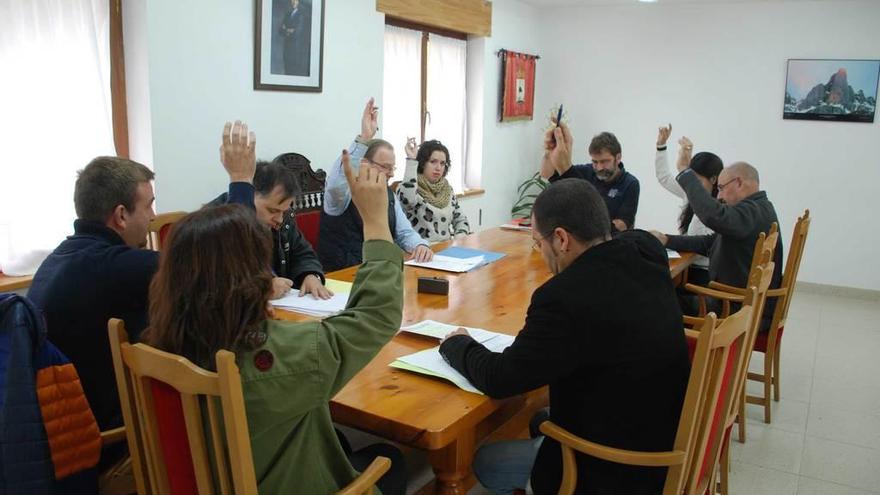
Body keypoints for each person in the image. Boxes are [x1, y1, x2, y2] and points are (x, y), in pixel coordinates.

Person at [439, 122, 689, 494]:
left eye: (538, 242)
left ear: (560, 238)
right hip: (661, 428)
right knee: (541, 417)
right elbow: (598, 220)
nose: (540, 253)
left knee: (485, 461)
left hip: (618, 465)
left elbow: (501, 378)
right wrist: (566, 167)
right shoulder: (645, 251)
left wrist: (457, 343)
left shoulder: (564, 297)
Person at [145, 152, 407, 494]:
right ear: (253, 277)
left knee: (335, 435)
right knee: (391, 458)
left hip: (219, 471)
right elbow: (376, 316)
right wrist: (375, 222)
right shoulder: (280, 356)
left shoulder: (158, 348)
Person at [27, 122, 257, 435]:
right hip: (111, 439)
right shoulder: (115, 268)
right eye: (148, 205)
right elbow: (227, 263)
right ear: (121, 215)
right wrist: (241, 181)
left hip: (59, 433)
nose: (152, 217)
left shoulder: (58, 260)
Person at [651, 160, 783, 328]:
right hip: (742, 301)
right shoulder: (760, 209)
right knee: (668, 292)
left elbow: (714, 215)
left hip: (731, 306)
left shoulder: (751, 212)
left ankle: (674, 351)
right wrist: (667, 239)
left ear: (739, 183)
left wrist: (685, 172)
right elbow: (711, 242)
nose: (719, 196)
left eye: (721, 188)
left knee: (653, 300)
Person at [209, 128, 330, 300]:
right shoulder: (215, 221)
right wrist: (261, 288)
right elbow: (219, 280)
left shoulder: (284, 220)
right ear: (250, 192)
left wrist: (310, 275)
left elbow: (303, 253)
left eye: (284, 211)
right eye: (272, 210)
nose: (279, 219)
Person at [319, 98, 433, 271]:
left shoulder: (387, 194)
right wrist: (364, 138)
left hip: (378, 270)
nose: (392, 173)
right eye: (385, 167)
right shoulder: (341, 195)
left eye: (392, 168)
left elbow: (404, 232)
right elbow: (337, 184)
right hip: (342, 274)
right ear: (365, 163)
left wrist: (419, 245)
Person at [655, 124, 724, 286]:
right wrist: (661, 146)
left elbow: (700, 244)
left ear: (714, 180)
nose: (692, 185)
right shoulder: (691, 194)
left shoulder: (718, 208)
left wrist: (667, 240)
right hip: (688, 265)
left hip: (702, 273)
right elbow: (664, 177)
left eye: (697, 180)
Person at [540, 126, 639, 231]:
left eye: (605, 161)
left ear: (618, 158)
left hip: (612, 242)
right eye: (595, 162)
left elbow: (622, 225)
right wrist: (549, 152)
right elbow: (547, 174)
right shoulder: (586, 171)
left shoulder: (630, 183)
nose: (599, 167)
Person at [397, 138, 471, 242]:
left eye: (442, 163)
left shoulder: (447, 189)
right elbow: (407, 201)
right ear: (422, 163)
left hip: (447, 248)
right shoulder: (409, 186)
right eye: (433, 162)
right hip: (421, 250)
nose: (438, 168)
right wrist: (412, 160)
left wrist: (460, 236)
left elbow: (461, 219)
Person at [279, 0, 311, 76]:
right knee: (287, 68)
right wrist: (289, 30)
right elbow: (280, 31)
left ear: (298, 2)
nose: (293, 2)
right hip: (286, 48)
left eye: (295, 0)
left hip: (295, 49)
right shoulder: (287, 15)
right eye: (292, 0)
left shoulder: (301, 15)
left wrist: (286, 29)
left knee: (293, 71)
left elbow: (297, 33)